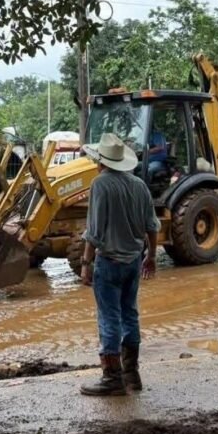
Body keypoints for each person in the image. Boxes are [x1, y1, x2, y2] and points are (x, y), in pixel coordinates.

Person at [79, 133, 160, 396]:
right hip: (134, 262)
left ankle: (112, 379)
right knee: (130, 314)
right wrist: (152, 257)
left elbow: (94, 231)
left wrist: (85, 263)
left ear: (100, 161)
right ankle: (132, 375)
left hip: (110, 263)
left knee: (109, 317)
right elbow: (152, 226)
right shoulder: (139, 185)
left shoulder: (100, 185)